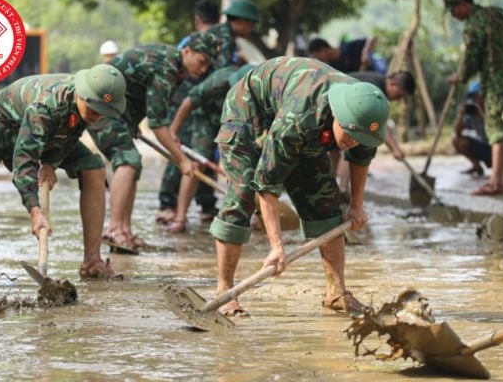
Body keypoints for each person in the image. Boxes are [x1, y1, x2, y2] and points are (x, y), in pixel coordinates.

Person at [209, 57, 389, 316]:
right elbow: (267, 183)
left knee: (324, 202)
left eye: (359, 138)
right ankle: (224, 292)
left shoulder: (366, 118)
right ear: (337, 115)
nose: (352, 142)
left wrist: (356, 206)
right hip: (248, 111)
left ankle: (336, 292)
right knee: (243, 195)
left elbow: (361, 159)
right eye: (348, 135)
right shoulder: (300, 118)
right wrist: (277, 246)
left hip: (304, 120)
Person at [0, 64, 126, 281]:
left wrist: (51, 164)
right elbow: (24, 159)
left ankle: (92, 261)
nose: (96, 116)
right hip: (1, 123)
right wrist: (35, 212)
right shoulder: (47, 105)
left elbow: (70, 134)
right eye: (92, 110)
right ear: (81, 94)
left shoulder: (89, 106)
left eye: (102, 113)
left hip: (44, 133)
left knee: (94, 168)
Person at [88, 32, 219, 251]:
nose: (203, 69)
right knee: (128, 160)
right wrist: (182, 160)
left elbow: (150, 107)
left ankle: (125, 233)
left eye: (207, 65)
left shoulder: (176, 70)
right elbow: (158, 125)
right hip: (99, 108)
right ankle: (114, 229)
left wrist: (168, 136)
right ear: (187, 51)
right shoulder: (166, 66)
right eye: (201, 62)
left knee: (133, 163)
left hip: (119, 114)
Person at [166, 64, 254, 233]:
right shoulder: (219, 81)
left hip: (235, 121)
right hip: (206, 118)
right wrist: (173, 131)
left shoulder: (260, 91)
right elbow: (188, 102)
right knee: (197, 162)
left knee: (244, 163)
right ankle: (180, 217)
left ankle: (251, 215)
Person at [444, 0, 503, 195]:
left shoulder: (474, 25)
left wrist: (460, 76)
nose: (452, 15)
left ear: (463, 5)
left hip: (497, 81)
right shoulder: (496, 13)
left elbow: (471, 59)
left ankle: (496, 182)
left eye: (452, 9)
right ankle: (500, 180)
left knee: (497, 127)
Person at [156, 0, 221, 225]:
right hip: (186, 105)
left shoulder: (217, 46)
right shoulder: (185, 50)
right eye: (201, 62)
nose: (202, 67)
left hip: (202, 110)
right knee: (182, 154)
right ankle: (172, 207)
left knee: (196, 156)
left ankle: (195, 206)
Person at [331, 71, 415, 197]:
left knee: (337, 147)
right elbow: (378, 126)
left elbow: (380, 124)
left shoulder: (377, 83)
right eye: (398, 95)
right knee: (351, 145)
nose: (397, 100)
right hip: (334, 105)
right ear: (393, 83)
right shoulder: (374, 90)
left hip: (338, 108)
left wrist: (395, 146)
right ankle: (342, 191)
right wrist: (395, 148)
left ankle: (331, 188)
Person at [453, 81, 491, 176]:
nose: (475, 100)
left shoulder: (493, 107)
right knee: (457, 140)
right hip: (483, 146)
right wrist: (460, 115)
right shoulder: (472, 113)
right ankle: (476, 166)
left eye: (477, 96)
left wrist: (482, 115)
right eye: (473, 97)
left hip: (497, 147)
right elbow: (457, 132)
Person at [208, 0, 260, 67]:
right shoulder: (224, 37)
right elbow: (223, 69)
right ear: (238, 21)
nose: (252, 28)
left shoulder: (227, 34)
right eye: (251, 24)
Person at [308, 37, 381, 74]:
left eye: (317, 56)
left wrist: (365, 53)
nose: (319, 59)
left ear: (323, 50)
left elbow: (372, 38)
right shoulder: (333, 68)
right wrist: (363, 67)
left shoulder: (348, 48)